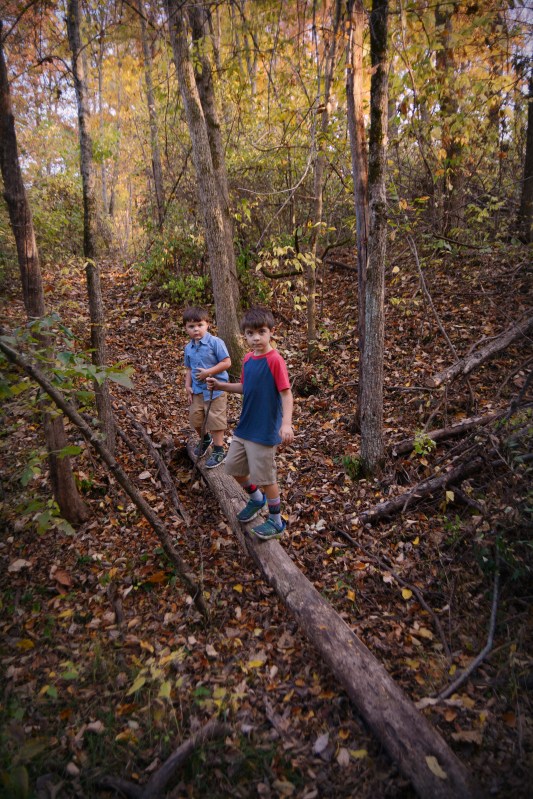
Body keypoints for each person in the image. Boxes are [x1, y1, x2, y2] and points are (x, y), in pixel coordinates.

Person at [206, 307, 294, 540]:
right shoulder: (247, 359)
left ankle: (276, 521)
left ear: (271, 332)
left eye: (261, 332)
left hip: (264, 430)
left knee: (266, 478)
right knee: (233, 467)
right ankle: (256, 499)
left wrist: (286, 423)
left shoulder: (275, 360)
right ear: (244, 335)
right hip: (245, 427)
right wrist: (221, 385)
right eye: (250, 333)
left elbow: (286, 393)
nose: (256, 338)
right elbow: (245, 387)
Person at [183, 306, 231, 468]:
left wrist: (208, 372)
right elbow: (189, 369)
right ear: (186, 328)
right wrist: (187, 386)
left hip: (215, 389)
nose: (196, 329)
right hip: (197, 390)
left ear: (207, 325)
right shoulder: (188, 348)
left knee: (215, 419)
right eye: (191, 326)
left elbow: (227, 362)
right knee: (195, 418)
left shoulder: (215, 342)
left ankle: (218, 450)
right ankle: (205, 439)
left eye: (200, 325)